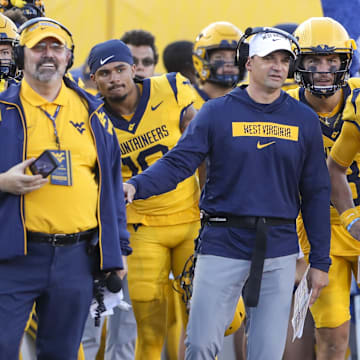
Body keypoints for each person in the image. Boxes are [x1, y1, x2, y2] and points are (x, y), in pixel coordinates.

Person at [123, 27, 331, 360]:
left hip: (278, 242)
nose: (278, 66)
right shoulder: (217, 112)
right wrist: (136, 185)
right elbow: (179, 162)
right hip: (223, 239)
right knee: (202, 343)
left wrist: (320, 259)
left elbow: (317, 192)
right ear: (249, 63)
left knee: (267, 351)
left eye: (284, 60)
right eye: (269, 59)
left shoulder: (303, 119)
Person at [0, 17, 130, 359]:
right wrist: (3, 183)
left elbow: (110, 185)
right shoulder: (3, 108)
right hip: (13, 254)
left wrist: (115, 253)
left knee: (61, 353)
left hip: (76, 256)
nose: (48, 54)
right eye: (39, 46)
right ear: (21, 55)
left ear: (69, 56)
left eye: (56, 47)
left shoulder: (93, 110)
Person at [88, 39, 200, 360]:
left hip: (190, 218)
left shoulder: (172, 88)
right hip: (141, 229)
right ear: (94, 79)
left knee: (222, 321)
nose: (115, 78)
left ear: (134, 69)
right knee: (149, 332)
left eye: (120, 69)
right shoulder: (93, 116)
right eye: (105, 73)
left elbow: (203, 148)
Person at [288, 16, 360, 360]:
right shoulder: (281, 107)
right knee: (332, 335)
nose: (324, 69)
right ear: (297, 63)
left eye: (332, 60)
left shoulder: (359, 96)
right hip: (318, 230)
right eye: (313, 61)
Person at [192, 21, 245, 110]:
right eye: (219, 57)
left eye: (235, 57)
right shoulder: (186, 101)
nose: (229, 63)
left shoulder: (248, 104)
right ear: (202, 60)